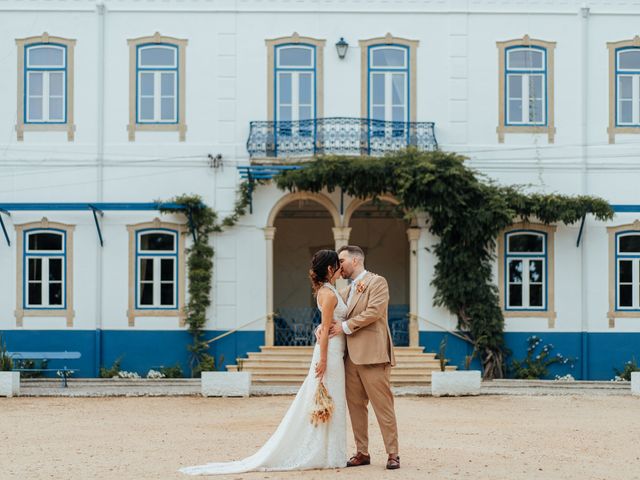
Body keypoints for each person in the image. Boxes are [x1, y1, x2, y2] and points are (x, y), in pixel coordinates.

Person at [180, 249, 347, 475]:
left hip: (336, 350)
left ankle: (331, 452)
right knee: (327, 398)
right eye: (338, 264)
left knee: (333, 399)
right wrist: (324, 359)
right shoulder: (328, 294)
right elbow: (325, 328)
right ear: (330, 268)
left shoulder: (328, 291)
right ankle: (327, 453)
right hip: (330, 352)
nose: (341, 268)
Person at [332, 245, 400, 470]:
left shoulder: (377, 282)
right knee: (355, 407)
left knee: (383, 406)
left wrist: (344, 326)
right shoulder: (344, 289)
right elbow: (332, 306)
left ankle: (393, 453)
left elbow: (374, 312)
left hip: (372, 355)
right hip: (350, 358)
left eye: (341, 260)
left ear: (355, 260)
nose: (339, 264)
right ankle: (362, 452)